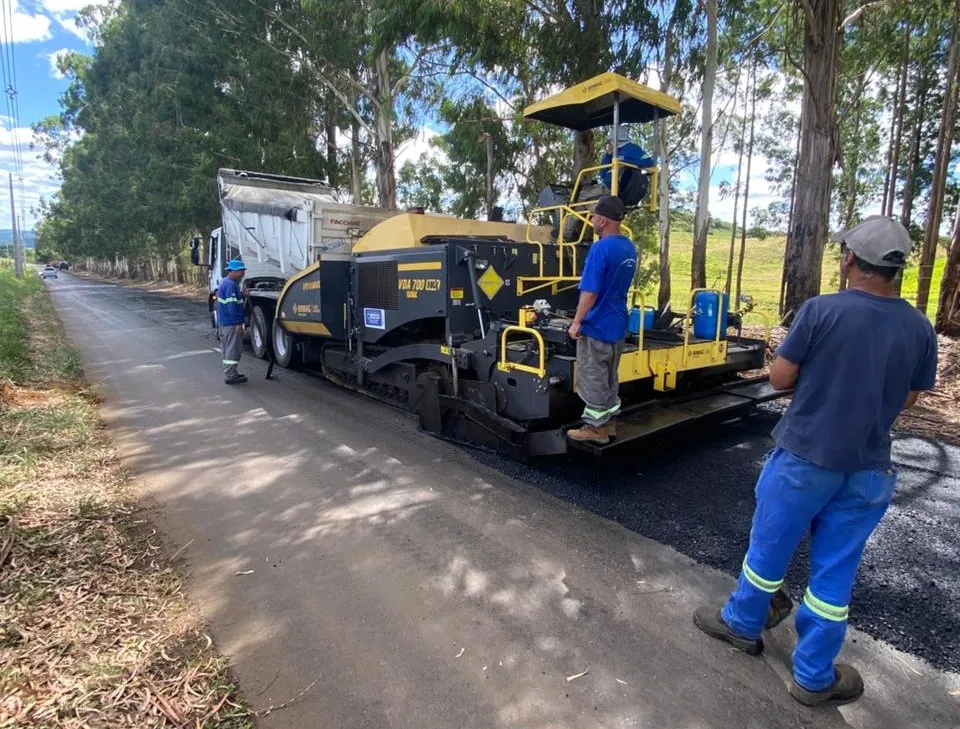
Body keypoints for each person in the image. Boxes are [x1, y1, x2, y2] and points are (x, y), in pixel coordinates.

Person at [693, 216, 938, 707]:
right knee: (834, 576)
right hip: (869, 470)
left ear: (850, 259)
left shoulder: (821, 311)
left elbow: (781, 378)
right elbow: (910, 397)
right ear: (897, 270)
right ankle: (813, 676)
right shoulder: (919, 327)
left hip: (804, 460)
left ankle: (742, 624)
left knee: (767, 554)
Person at [566, 195, 637, 445]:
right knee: (610, 376)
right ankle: (609, 422)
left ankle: (596, 429)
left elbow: (590, 291)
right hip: (617, 324)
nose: (592, 220)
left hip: (597, 325)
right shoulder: (629, 247)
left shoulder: (600, 248)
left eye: (594, 216)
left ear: (603, 220)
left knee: (593, 376)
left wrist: (576, 322)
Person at [599, 124, 655, 198]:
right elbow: (602, 174)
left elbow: (648, 162)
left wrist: (627, 163)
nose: (609, 143)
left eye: (610, 141)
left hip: (617, 189)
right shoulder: (612, 154)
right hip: (606, 187)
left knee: (582, 196)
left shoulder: (633, 149)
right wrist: (608, 155)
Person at [216, 259, 248, 385]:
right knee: (232, 350)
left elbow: (231, 300)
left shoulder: (226, 283)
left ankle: (231, 373)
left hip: (224, 323)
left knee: (227, 349)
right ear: (233, 271)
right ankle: (230, 375)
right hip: (231, 324)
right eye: (241, 271)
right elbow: (232, 306)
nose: (243, 274)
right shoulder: (231, 285)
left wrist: (242, 295)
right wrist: (238, 324)